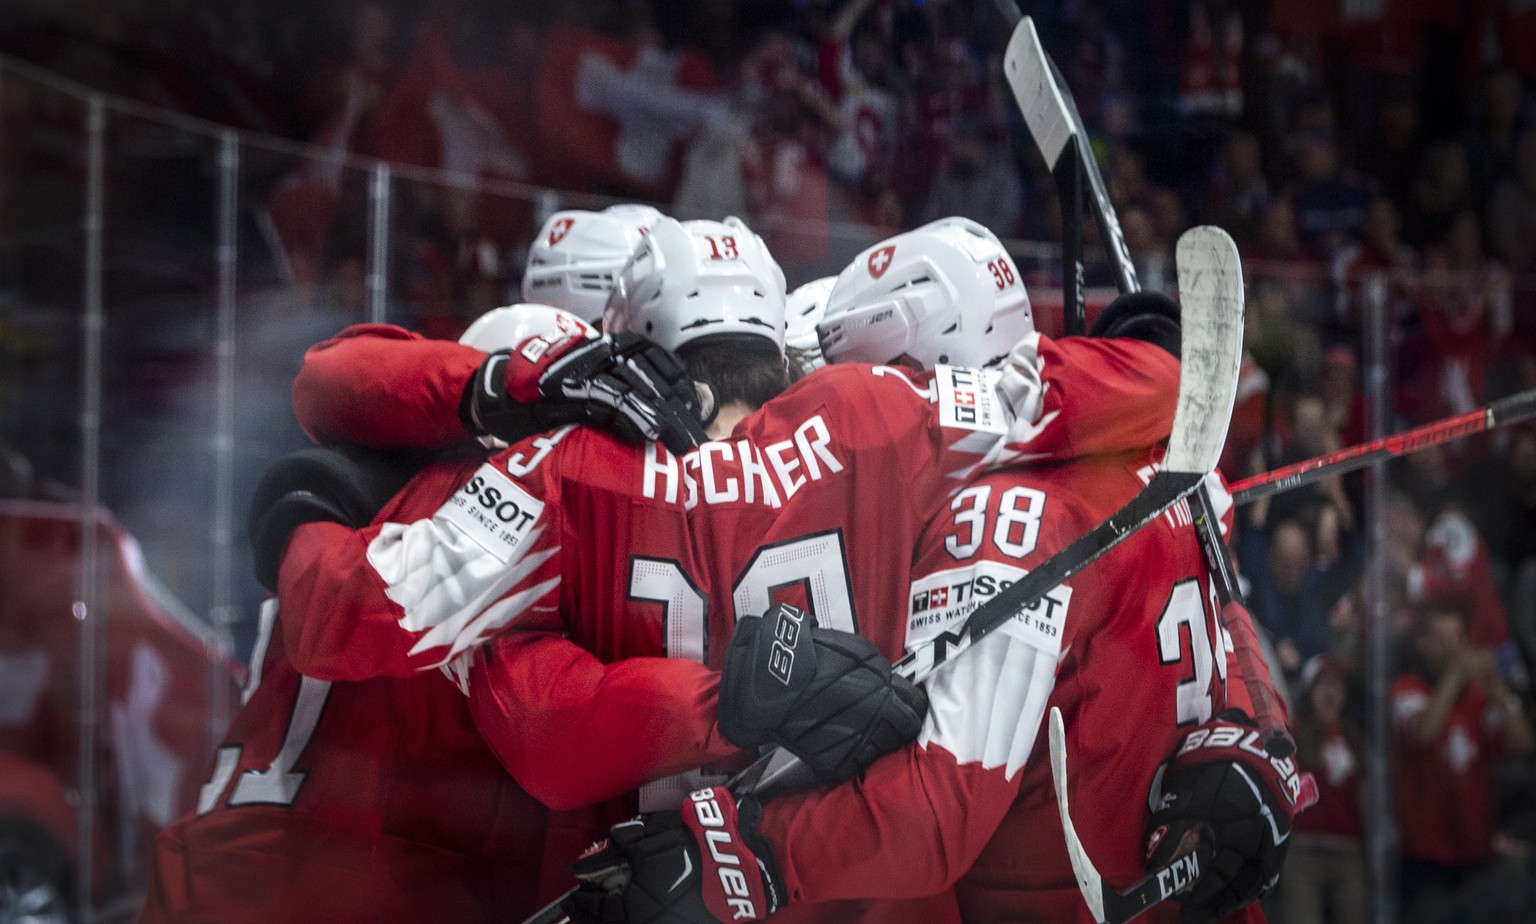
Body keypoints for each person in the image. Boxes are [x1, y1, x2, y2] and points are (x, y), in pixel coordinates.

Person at [272, 216, 1186, 921]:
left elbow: (341, 623)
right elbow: (1133, 388)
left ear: (623, 338)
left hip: (656, 890)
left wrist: (309, 504)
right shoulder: (882, 413)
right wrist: (1139, 342)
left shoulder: (556, 472)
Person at [565, 297, 1305, 924]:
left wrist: (741, 852)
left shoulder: (1009, 516)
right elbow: (1227, 634)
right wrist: (1257, 734)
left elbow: (942, 804)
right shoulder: (1180, 485)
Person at [141, 304, 703, 923]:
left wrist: (297, 508)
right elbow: (560, 729)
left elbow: (334, 379)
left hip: (212, 863)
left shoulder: (344, 498)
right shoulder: (519, 528)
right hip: (364, 887)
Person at [1393, 604, 1533, 924]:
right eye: (1442, 639)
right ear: (1422, 643)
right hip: (1425, 859)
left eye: (1457, 638)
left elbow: (1521, 742)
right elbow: (1423, 732)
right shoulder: (1406, 690)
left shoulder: (1478, 698)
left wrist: (1499, 691)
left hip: (1475, 853)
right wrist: (1457, 675)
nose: (1453, 647)